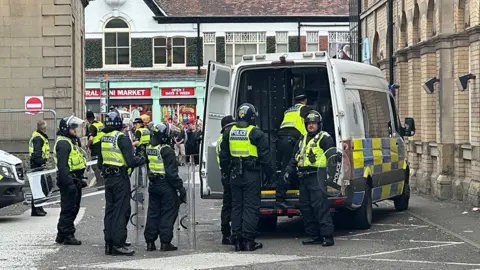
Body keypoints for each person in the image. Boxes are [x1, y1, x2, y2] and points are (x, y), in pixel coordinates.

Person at [219, 103, 274, 252]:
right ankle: (248, 241)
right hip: (251, 174)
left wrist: (226, 172)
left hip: (234, 174)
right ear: (252, 117)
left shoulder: (228, 133)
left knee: (237, 206)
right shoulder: (256, 133)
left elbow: (223, 156)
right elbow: (265, 158)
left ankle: (236, 240)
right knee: (250, 207)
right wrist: (271, 176)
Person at [99, 110, 146, 256]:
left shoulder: (104, 138)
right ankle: (118, 244)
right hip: (120, 178)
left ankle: (109, 243)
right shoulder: (121, 138)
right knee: (121, 211)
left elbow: (100, 162)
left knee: (110, 210)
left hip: (108, 178)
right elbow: (130, 161)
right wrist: (142, 159)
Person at [285, 110, 335, 246]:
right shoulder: (302, 138)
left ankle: (327, 236)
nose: (311, 126)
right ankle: (314, 235)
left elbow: (333, 158)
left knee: (320, 207)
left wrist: (332, 176)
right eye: (309, 123)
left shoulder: (325, 138)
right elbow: (295, 156)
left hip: (317, 176)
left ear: (319, 124)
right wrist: (289, 171)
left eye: (314, 123)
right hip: (303, 177)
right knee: (305, 207)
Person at [144, 123, 186, 252]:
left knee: (153, 213)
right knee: (168, 213)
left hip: (154, 184)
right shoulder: (166, 149)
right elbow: (171, 174)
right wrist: (180, 187)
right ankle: (165, 242)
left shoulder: (149, 147)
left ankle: (150, 242)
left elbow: (148, 167)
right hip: (166, 185)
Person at [275, 89, 313, 210]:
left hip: (281, 140)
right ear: (305, 100)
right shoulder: (305, 109)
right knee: (288, 168)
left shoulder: (288, 110)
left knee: (287, 167)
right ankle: (279, 198)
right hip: (292, 141)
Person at [54, 115, 87, 245]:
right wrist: (69, 184)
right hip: (69, 180)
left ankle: (61, 234)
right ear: (65, 129)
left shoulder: (69, 141)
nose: (75, 131)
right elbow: (63, 167)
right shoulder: (63, 143)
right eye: (73, 128)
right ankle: (67, 234)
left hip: (74, 179)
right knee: (70, 208)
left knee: (70, 207)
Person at [216, 115, 235, 245]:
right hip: (230, 174)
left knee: (227, 205)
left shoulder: (219, 139)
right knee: (232, 205)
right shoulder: (226, 139)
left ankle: (226, 233)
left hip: (225, 175)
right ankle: (228, 233)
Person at [29, 120, 51, 217]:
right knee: (38, 188)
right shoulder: (38, 138)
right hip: (37, 165)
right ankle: (36, 209)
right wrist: (42, 163)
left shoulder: (39, 137)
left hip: (38, 165)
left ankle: (39, 207)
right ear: (43, 128)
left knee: (41, 187)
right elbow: (36, 154)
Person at [86, 111, 105, 186]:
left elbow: (91, 138)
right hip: (103, 146)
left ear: (88, 119)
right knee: (101, 164)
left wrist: (87, 145)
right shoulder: (100, 124)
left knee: (95, 166)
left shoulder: (92, 126)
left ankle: (99, 182)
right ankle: (102, 180)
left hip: (96, 148)